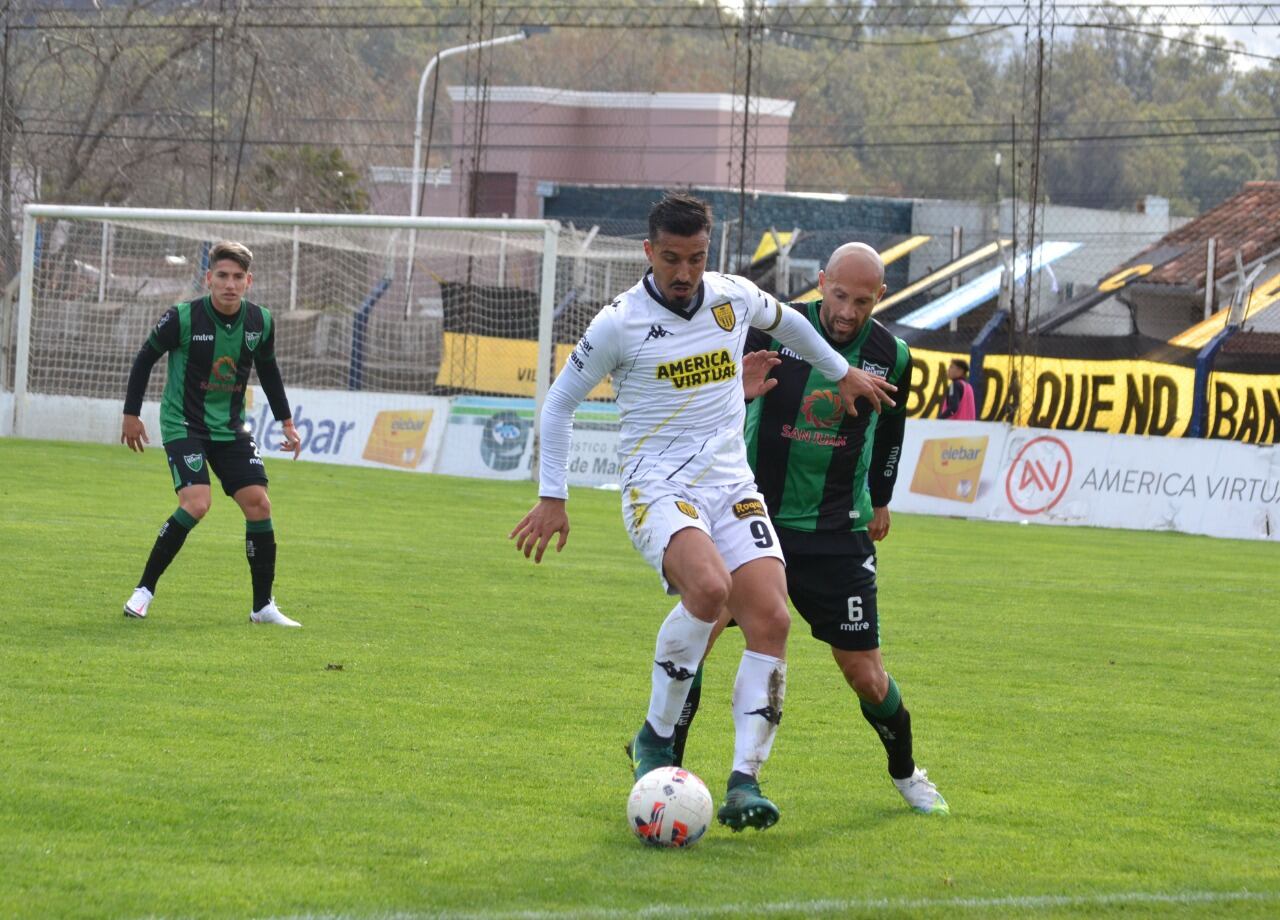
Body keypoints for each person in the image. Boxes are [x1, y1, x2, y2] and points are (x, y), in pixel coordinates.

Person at [509, 194, 896, 832]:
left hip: (729, 483)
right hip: (655, 484)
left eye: (695, 258)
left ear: (707, 253)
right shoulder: (618, 323)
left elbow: (792, 325)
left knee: (771, 618)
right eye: (670, 259)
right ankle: (656, 738)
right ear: (648, 253)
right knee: (712, 590)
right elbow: (558, 404)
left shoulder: (732, 297)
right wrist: (555, 494)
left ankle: (745, 780)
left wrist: (839, 372)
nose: (684, 272)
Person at [673, 242, 949, 816]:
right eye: (840, 295)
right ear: (821, 282)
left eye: (863, 301)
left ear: (881, 298)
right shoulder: (775, 328)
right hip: (752, 520)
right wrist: (736, 393)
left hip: (836, 536)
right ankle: (661, 763)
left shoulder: (892, 355)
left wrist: (882, 498)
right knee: (695, 645)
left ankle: (906, 773)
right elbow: (710, 396)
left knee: (866, 676)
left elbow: (893, 431)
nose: (848, 311)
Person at [120, 240, 303, 627]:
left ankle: (262, 607)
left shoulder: (260, 322)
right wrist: (131, 414)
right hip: (184, 424)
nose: (229, 284)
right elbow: (144, 358)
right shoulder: (182, 318)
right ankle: (143, 591)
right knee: (198, 503)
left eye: (238, 277)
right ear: (208, 278)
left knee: (259, 504)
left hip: (230, 427)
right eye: (222, 275)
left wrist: (286, 422)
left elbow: (269, 372)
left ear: (248, 281)